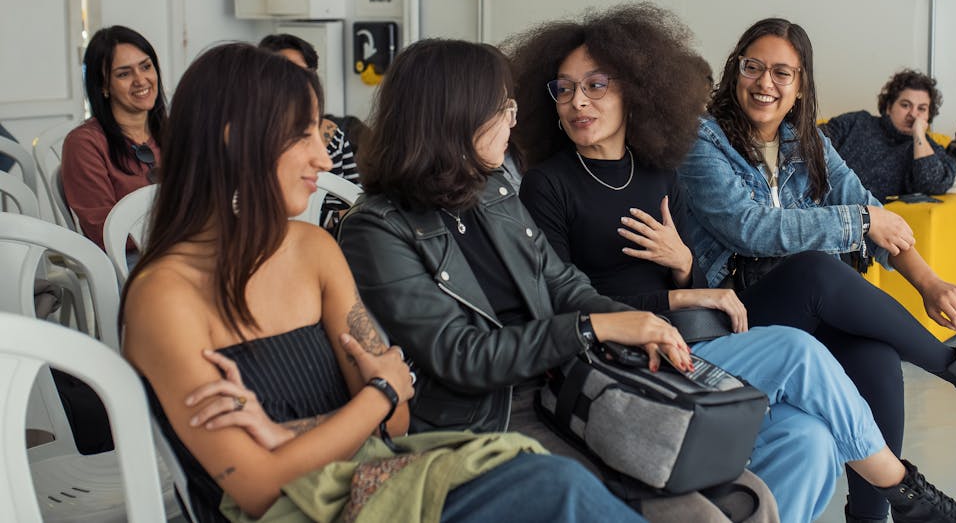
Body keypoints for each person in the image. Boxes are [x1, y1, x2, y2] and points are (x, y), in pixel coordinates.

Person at [509, 4, 956, 523]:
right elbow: (566, 309)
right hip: (624, 363)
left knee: (811, 438)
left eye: (596, 85)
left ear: (634, 89)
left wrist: (682, 267)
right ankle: (913, 494)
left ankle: (883, 508)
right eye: (564, 89)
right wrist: (680, 293)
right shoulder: (549, 185)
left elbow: (700, 286)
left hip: (695, 339)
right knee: (799, 345)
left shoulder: (659, 172)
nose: (578, 101)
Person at [120, 42, 636, 523]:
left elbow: (397, 422)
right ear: (235, 141)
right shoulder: (164, 297)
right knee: (559, 488)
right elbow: (258, 489)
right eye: (303, 136)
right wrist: (378, 392)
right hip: (306, 508)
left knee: (571, 484)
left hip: (376, 473)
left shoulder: (313, 250)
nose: (324, 160)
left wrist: (291, 431)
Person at [678, 17, 956, 522]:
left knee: (877, 360)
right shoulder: (702, 141)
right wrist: (859, 221)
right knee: (816, 271)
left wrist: (928, 282)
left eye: (783, 73)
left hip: (800, 312)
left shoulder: (809, 145)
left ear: (801, 87)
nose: (765, 83)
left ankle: (873, 518)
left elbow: (874, 213)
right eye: (753, 67)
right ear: (735, 71)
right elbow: (751, 229)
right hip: (735, 316)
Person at [63, 25, 165, 249]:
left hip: (187, 250)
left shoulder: (175, 131)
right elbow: (104, 231)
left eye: (146, 67)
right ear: (103, 86)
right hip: (131, 264)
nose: (141, 80)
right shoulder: (84, 144)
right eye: (124, 74)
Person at [259, 33, 360, 232]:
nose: (323, 161)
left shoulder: (332, 135)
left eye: (307, 74)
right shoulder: (248, 140)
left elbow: (352, 200)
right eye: (288, 73)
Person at [819, 69, 956, 200]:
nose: (913, 114)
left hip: (865, 216)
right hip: (815, 198)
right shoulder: (856, 122)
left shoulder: (930, 150)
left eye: (922, 109)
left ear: (929, 115)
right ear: (889, 107)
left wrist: (919, 135)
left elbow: (932, 184)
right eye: (905, 105)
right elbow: (812, 143)